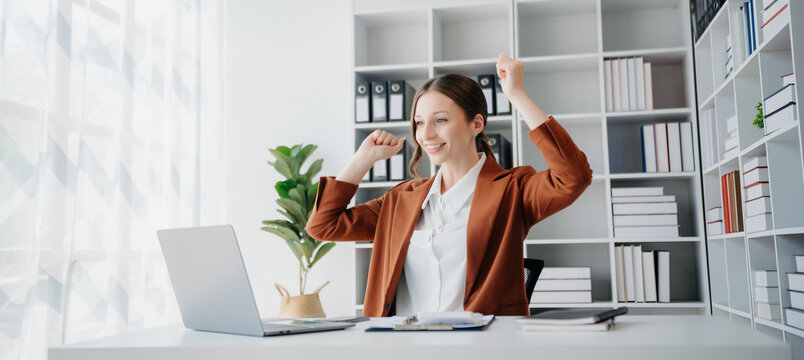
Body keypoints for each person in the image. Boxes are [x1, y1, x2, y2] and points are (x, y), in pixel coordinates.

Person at [306, 54, 593, 317]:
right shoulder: (401, 200)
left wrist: (516, 95)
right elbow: (323, 225)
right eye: (419, 123)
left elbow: (573, 177)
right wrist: (362, 158)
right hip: (405, 346)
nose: (426, 134)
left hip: (481, 347)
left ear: (476, 124)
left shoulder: (512, 190)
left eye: (440, 120)